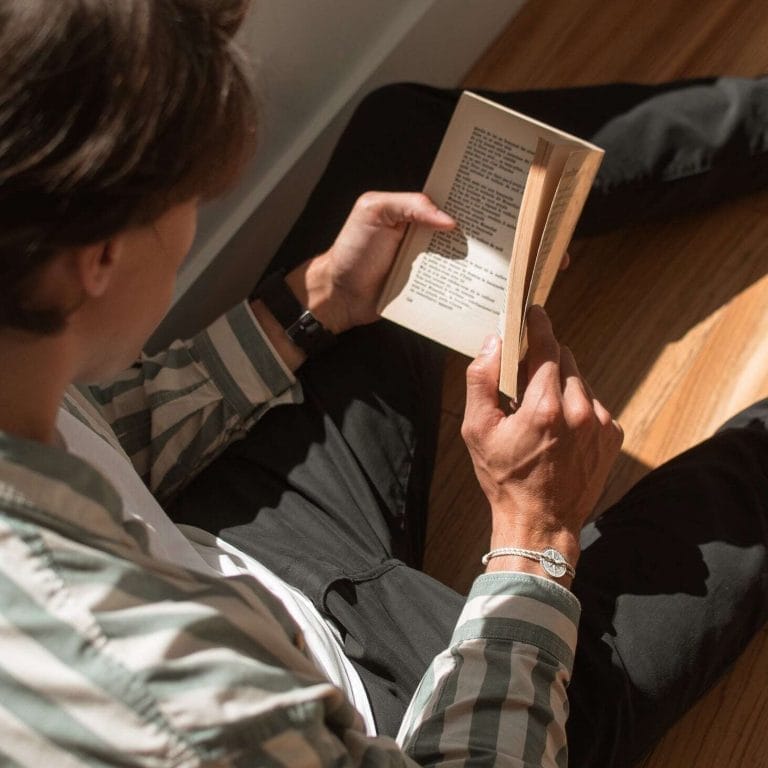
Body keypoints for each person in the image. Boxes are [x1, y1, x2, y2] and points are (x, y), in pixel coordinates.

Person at [0, 2, 766, 768]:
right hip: (396, 725)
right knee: (738, 492)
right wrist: (536, 539)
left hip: (222, 551)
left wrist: (310, 304)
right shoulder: (181, 717)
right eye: (187, 200)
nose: (192, 222)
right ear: (97, 258)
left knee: (406, 141)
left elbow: (101, 431)